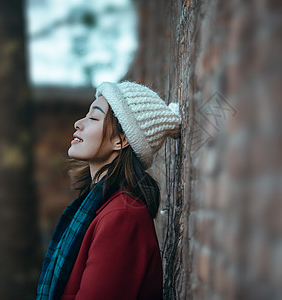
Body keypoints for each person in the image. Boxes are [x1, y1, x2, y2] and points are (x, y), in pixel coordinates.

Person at [37, 81, 181, 300]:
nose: (78, 123)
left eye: (93, 118)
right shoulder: (96, 206)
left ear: (121, 140)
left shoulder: (122, 217)